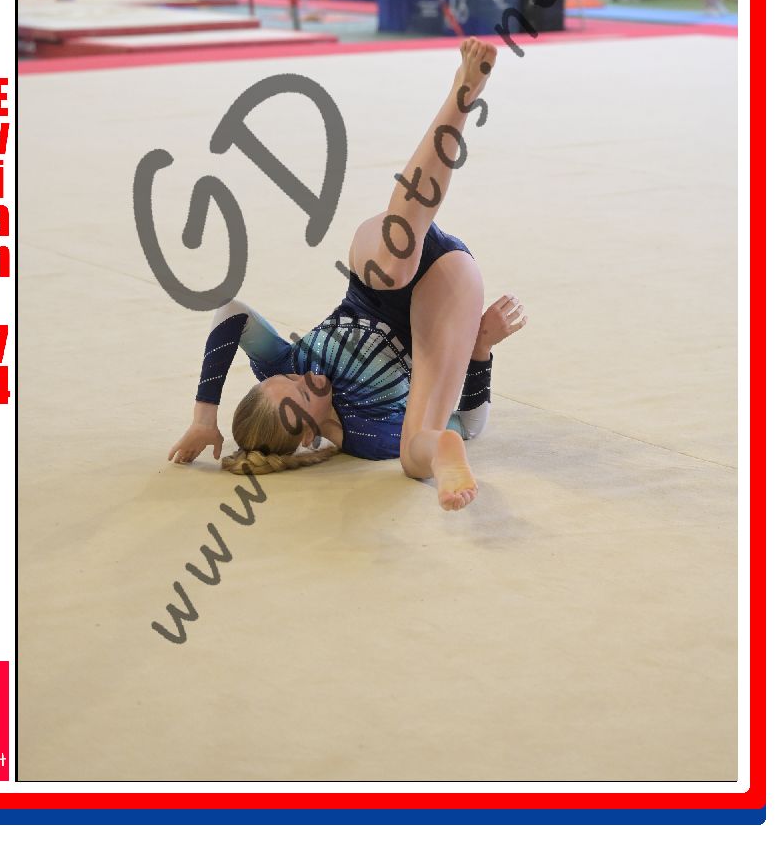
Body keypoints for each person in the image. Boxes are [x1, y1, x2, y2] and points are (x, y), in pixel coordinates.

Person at [169, 39, 527, 513]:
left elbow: (230, 311)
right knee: (413, 454)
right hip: (443, 296)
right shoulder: (368, 434)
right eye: (303, 393)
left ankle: (461, 96)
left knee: (393, 265)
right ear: (307, 438)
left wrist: (204, 416)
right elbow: (472, 422)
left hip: (379, 270)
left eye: (290, 376)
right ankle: (442, 459)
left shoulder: (283, 362)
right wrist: (481, 349)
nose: (308, 376)